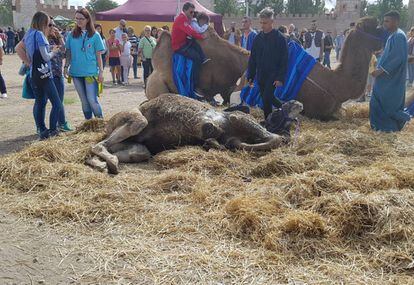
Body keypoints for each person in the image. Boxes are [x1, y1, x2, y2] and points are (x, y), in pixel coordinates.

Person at [16, 11, 63, 139]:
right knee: (57, 103)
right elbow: (46, 57)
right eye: (48, 23)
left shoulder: (29, 34)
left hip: (33, 74)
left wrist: (28, 62)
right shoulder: (40, 35)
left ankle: (42, 130)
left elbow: (17, 48)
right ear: (43, 22)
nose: (50, 25)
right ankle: (53, 130)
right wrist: (53, 51)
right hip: (45, 74)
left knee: (40, 102)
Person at [370, 11, 411, 132]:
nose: (384, 23)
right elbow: (389, 55)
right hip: (385, 79)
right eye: (384, 20)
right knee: (377, 102)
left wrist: (379, 71)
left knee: (388, 105)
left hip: (392, 81)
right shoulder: (392, 36)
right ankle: (379, 127)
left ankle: (388, 128)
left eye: (387, 21)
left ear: (396, 21)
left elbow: (397, 58)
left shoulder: (399, 36)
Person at [247, 7, 288, 120]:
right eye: (261, 22)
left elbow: (284, 60)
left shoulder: (280, 38)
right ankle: (285, 111)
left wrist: (280, 77)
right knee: (268, 99)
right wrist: (250, 75)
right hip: (261, 75)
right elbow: (253, 58)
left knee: (266, 98)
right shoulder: (258, 38)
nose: (262, 25)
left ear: (272, 22)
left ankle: (270, 120)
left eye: (265, 23)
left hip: (273, 75)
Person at [64, 8, 105, 120]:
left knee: (92, 100)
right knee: (84, 101)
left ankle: (100, 122)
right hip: (76, 73)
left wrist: (101, 72)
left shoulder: (95, 35)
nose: (78, 21)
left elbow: (99, 55)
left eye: (81, 19)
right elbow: (68, 52)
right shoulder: (71, 35)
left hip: (90, 73)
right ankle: (88, 122)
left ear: (87, 19)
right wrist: (66, 66)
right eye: (76, 18)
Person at [172, 2, 207, 94]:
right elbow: (190, 31)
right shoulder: (181, 18)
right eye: (191, 12)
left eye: (193, 12)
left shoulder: (186, 19)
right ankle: (195, 86)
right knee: (196, 58)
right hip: (179, 46)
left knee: (195, 44)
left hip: (184, 42)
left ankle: (204, 58)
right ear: (185, 10)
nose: (192, 14)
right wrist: (202, 37)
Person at [48, 18, 72, 132]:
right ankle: (53, 126)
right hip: (48, 75)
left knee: (59, 101)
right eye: (50, 25)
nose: (53, 27)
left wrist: (60, 37)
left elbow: (64, 52)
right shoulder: (42, 39)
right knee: (55, 102)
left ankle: (61, 123)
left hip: (58, 73)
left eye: (53, 25)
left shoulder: (55, 39)